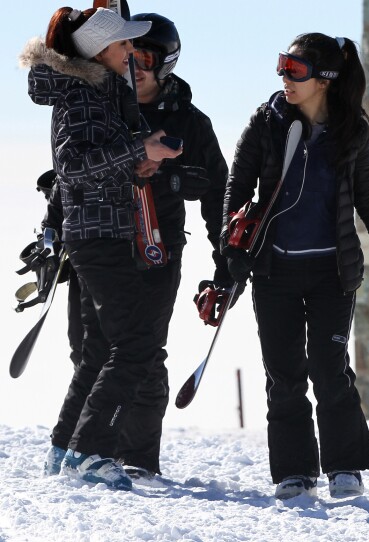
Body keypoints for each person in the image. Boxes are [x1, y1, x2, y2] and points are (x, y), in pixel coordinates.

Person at [221, 32, 369, 500]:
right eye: (282, 66)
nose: (284, 77)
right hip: (273, 271)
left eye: (295, 69)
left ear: (324, 79)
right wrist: (230, 252)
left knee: (329, 369)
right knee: (283, 373)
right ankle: (294, 470)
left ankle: (345, 466)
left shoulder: (351, 130)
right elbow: (236, 188)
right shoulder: (266, 123)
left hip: (331, 274)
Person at [20, 7, 181, 490]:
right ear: (99, 51)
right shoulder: (82, 94)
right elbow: (72, 168)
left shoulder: (99, 90)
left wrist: (141, 159)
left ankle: (64, 449)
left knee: (100, 348)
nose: (132, 52)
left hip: (101, 230)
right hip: (98, 235)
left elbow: (94, 161)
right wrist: (139, 152)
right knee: (135, 342)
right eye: (124, 45)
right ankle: (92, 451)